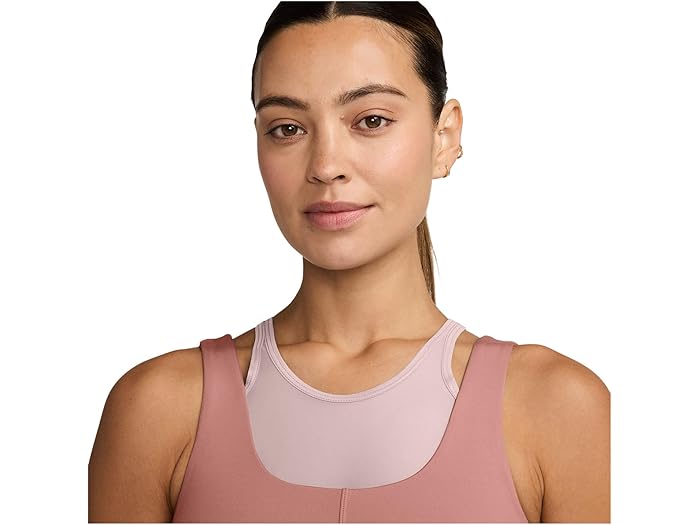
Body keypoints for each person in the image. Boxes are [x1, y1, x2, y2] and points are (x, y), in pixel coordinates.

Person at [88, 2, 610, 522]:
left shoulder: (559, 408)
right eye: (287, 128)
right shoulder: (156, 411)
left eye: (371, 120)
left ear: (444, 137)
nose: (326, 165)